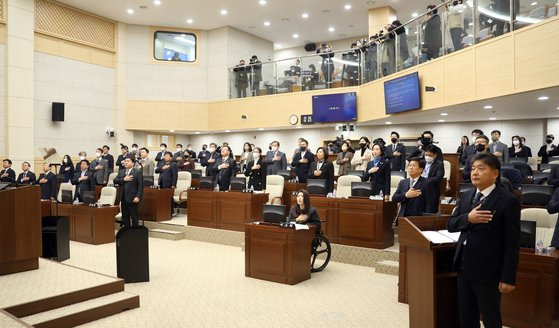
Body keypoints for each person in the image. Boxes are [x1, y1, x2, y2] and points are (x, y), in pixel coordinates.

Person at [447, 152, 520, 328]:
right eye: (472, 169)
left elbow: (512, 242)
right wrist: (468, 218)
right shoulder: (466, 195)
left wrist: (508, 277)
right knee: (466, 315)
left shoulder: (508, 200)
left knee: (490, 317)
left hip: (489, 270)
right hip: (464, 265)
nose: (475, 173)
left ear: (495, 173)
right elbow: (451, 224)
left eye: (481, 169)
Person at [113, 156, 143, 227]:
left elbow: (140, 186)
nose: (126, 162)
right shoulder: (121, 171)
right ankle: (127, 233)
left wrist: (138, 196)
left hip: (133, 198)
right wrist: (123, 179)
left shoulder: (137, 172)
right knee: (125, 217)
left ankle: (135, 233)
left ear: (133, 163)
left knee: (134, 217)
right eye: (125, 161)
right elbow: (115, 181)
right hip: (123, 198)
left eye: (128, 161)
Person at [422, 145, 445, 213]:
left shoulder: (439, 164)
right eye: (426, 155)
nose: (427, 157)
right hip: (420, 188)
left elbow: (438, 178)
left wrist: (425, 181)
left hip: (432, 189)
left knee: (431, 211)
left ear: (435, 155)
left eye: (430, 155)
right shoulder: (421, 162)